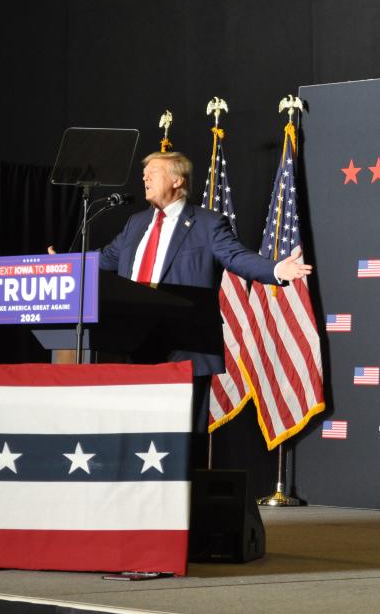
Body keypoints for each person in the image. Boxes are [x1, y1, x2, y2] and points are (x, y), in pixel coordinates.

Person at [59, 151, 311, 467]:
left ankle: (184, 505)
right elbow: (106, 258)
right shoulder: (136, 224)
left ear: (178, 180)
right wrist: (63, 265)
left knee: (181, 440)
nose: (145, 178)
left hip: (186, 345)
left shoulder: (206, 224)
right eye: (144, 174)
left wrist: (275, 270)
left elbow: (236, 257)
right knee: (137, 436)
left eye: (153, 172)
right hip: (132, 344)